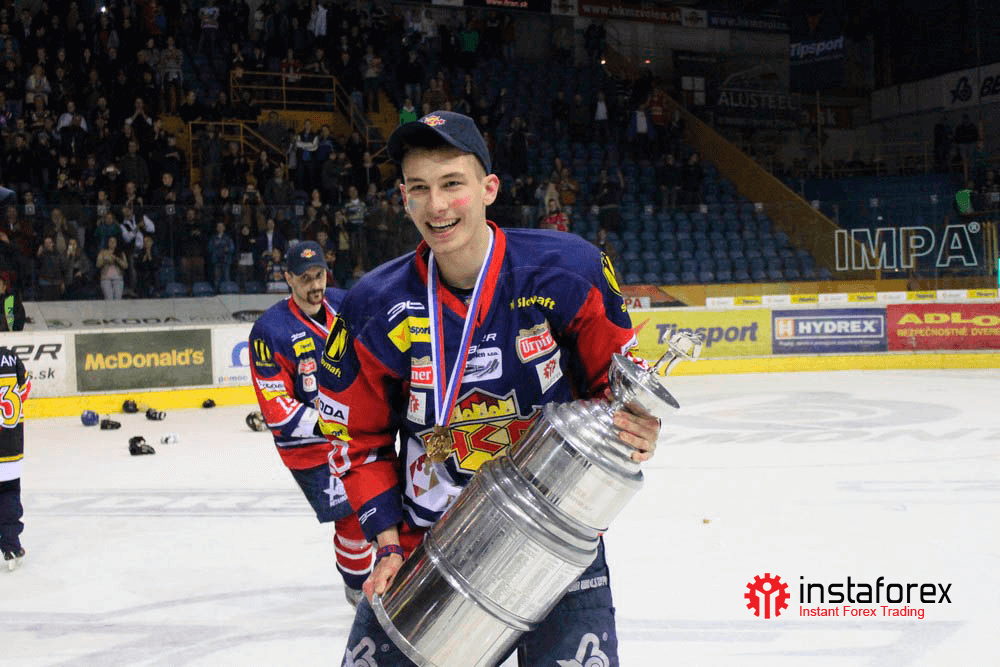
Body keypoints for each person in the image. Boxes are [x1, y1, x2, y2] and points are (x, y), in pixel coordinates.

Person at [316, 111, 660, 665]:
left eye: (452, 183)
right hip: (424, 551)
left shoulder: (567, 271)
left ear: (488, 189)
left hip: (555, 542)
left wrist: (638, 423)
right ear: (403, 198)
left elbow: (617, 386)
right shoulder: (373, 307)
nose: (436, 205)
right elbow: (356, 437)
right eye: (419, 188)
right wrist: (386, 542)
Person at [248, 241, 374, 606]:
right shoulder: (269, 330)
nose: (315, 285)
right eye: (305, 279)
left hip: (356, 431)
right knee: (351, 516)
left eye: (319, 275)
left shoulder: (344, 304)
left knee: (385, 503)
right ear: (288, 278)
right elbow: (277, 410)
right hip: (309, 447)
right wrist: (334, 422)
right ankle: (357, 588)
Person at [0, 344, 30, 570]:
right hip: (10, 443)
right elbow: (25, 389)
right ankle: (11, 545)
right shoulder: (11, 357)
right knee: (9, 493)